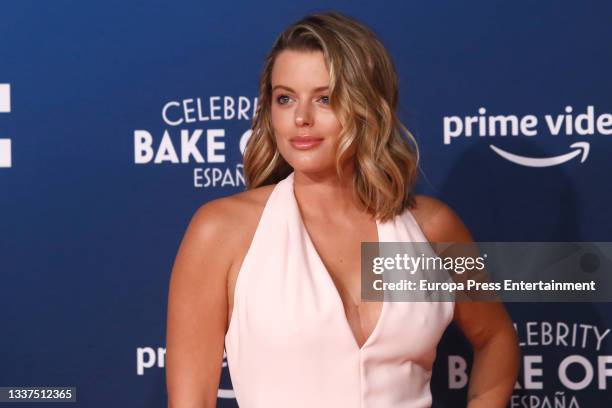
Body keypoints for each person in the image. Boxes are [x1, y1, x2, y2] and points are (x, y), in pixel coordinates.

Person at [166, 11, 519, 408]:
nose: (301, 117)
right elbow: (190, 400)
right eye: (285, 98)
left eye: (325, 98)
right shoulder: (224, 231)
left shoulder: (430, 229)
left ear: (368, 106)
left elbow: (496, 338)